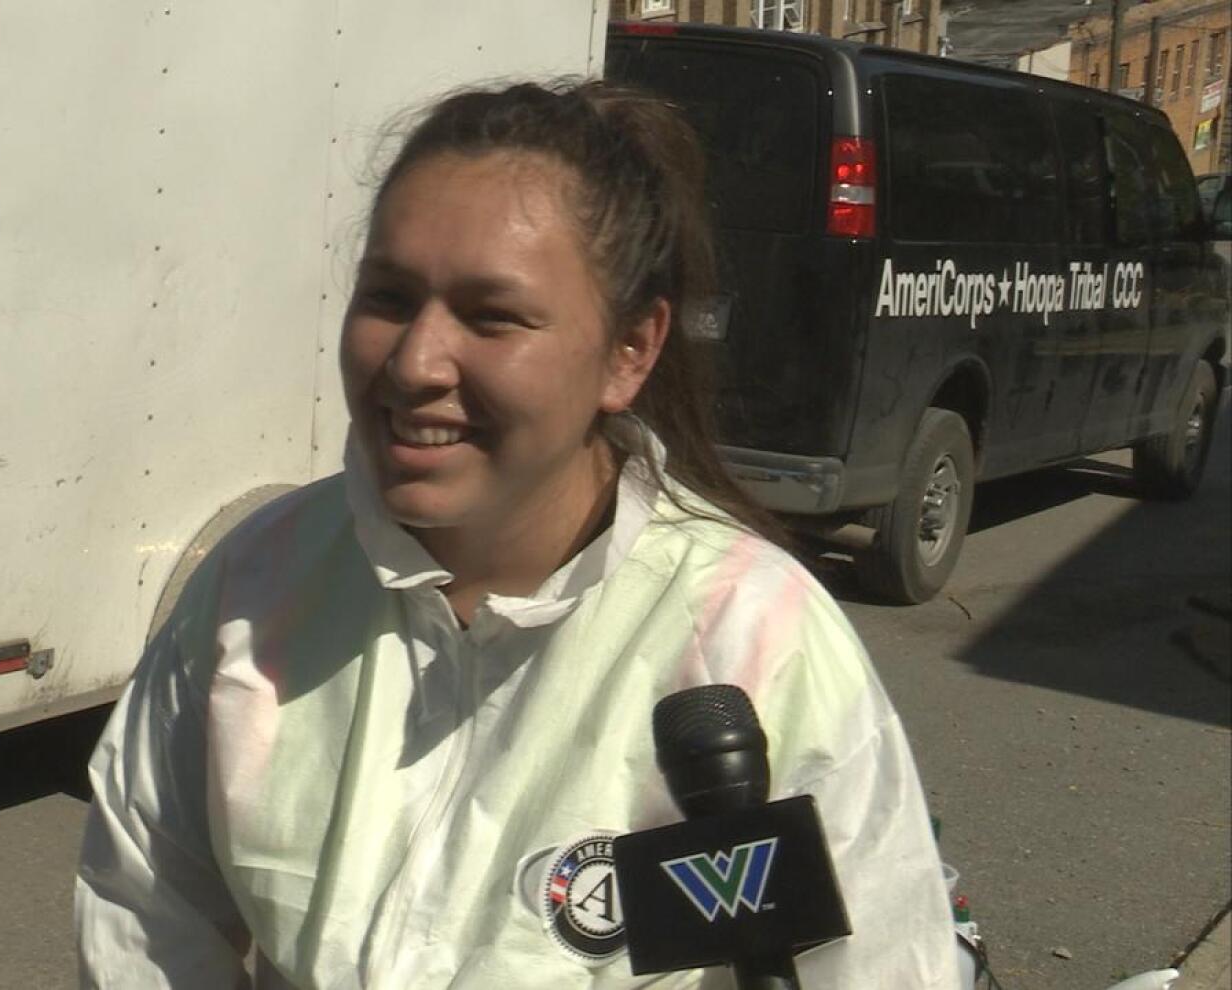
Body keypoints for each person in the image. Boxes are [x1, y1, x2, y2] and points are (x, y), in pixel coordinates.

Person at [75, 80, 960, 988]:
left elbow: (881, 966)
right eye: (388, 297)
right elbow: (143, 912)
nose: (415, 362)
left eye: (492, 316)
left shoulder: (751, 638)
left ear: (631, 350)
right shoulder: (258, 584)